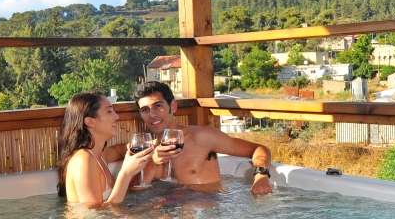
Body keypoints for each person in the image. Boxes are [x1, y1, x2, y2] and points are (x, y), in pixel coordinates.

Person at [107, 81, 273, 195]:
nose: (152, 115)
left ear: (173, 106)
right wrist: (152, 161)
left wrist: (261, 176)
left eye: (158, 106)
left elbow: (258, 149)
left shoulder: (203, 137)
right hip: (163, 217)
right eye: (145, 110)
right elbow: (132, 193)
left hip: (203, 213)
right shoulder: (142, 148)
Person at [58, 92, 154, 206]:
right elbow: (94, 215)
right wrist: (126, 174)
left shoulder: (99, 155)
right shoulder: (83, 160)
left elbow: (120, 150)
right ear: (90, 122)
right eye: (109, 111)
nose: (117, 117)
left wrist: (154, 146)